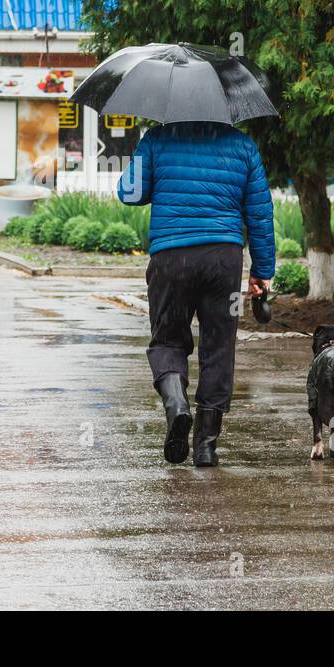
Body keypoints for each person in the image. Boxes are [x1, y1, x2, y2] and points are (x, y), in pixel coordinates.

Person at [118, 121, 275, 468]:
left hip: (170, 258)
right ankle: (206, 447)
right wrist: (262, 272)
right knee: (220, 346)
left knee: (167, 340)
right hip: (225, 260)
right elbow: (260, 213)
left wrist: (150, 165)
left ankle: (177, 407)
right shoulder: (243, 145)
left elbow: (129, 192)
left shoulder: (158, 138)